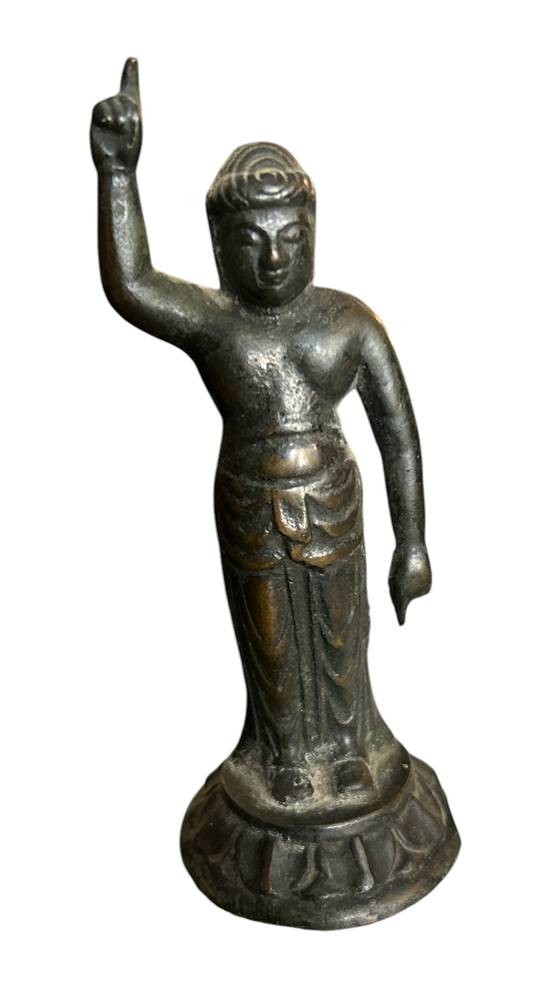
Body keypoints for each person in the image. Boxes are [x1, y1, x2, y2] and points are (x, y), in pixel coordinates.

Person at [91, 59, 432, 807]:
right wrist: (117, 175)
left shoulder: (348, 323)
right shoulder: (217, 322)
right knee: (272, 641)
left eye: (290, 236)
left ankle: (349, 750)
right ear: (220, 248)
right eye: (252, 241)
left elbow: (398, 435)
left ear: (314, 234)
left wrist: (412, 543)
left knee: (339, 632)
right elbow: (133, 284)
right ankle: (287, 757)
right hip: (250, 502)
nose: (274, 258)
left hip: (332, 501)